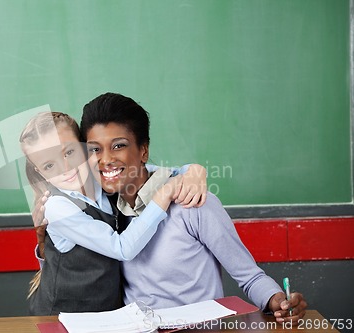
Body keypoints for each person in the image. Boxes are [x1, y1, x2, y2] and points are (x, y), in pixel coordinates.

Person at [36, 92, 307, 324]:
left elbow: (249, 277)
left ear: (143, 150)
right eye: (95, 149)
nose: (105, 159)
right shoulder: (107, 208)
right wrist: (43, 240)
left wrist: (277, 301)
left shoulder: (193, 204)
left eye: (119, 146)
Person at [19, 111, 207, 315]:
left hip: (107, 312)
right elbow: (122, 248)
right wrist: (163, 196)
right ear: (39, 171)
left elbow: (157, 173)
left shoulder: (104, 178)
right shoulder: (57, 207)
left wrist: (195, 172)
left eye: (69, 153)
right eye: (49, 165)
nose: (65, 168)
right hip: (63, 316)